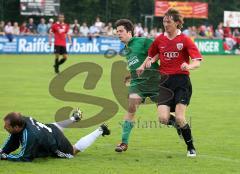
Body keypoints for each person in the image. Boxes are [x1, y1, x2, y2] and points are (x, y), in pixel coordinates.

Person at [140, 8, 202, 157]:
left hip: (181, 81)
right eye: (164, 21)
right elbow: (153, 55)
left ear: (177, 23)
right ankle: (179, 128)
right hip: (164, 82)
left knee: (180, 117)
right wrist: (145, 64)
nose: (165, 24)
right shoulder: (159, 39)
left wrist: (189, 66)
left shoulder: (185, 40)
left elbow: (197, 61)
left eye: (168, 22)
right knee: (163, 119)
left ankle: (190, 147)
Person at [114, 19, 177, 153]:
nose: (118, 34)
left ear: (129, 32)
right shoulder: (126, 49)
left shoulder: (142, 41)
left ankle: (179, 125)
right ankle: (124, 142)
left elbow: (160, 52)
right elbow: (135, 66)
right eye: (117, 31)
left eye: (121, 31)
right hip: (138, 84)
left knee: (164, 119)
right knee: (131, 106)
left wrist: (151, 61)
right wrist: (129, 76)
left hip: (156, 82)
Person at [0, 109, 110, 161]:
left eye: (7, 126)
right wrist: (2, 151)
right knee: (54, 127)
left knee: (73, 150)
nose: (4, 127)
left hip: (55, 142)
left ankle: (100, 130)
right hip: (50, 128)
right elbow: (13, 140)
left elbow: (24, 157)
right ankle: (74, 118)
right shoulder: (22, 120)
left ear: (16, 127)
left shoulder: (30, 136)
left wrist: (5, 156)